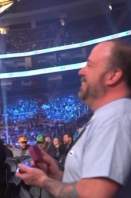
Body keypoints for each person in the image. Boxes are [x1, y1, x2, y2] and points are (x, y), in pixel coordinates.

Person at [16, 40, 131, 198]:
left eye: (90, 65)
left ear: (113, 75)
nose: (81, 71)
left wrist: (43, 181)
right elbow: (86, 185)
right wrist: (56, 175)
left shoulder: (114, 118)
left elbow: (94, 194)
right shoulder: (107, 116)